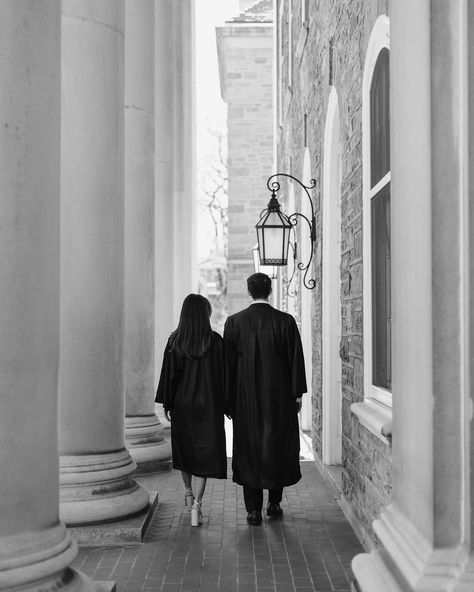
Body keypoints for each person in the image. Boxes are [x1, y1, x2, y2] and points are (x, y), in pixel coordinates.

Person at [224, 273, 306, 525]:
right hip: (278, 397)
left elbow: (227, 365)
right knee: (276, 444)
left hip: (245, 398)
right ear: (269, 291)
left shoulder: (234, 323)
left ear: (249, 292)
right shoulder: (285, 321)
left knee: (250, 447)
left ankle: (252, 509)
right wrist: (297, 394)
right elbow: (295, 360)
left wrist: (228, 400)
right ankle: (274, 502)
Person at [156, 294, 227, 526]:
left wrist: (167, 403)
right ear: (205, 315)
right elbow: (224, 376)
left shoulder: (174, 341)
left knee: (185, 449)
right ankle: (198, 503)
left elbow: (169, 376)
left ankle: (187, 492)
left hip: (182, 404)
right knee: (204, 452)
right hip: (209, 405)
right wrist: (227, 404)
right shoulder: (215, 342)